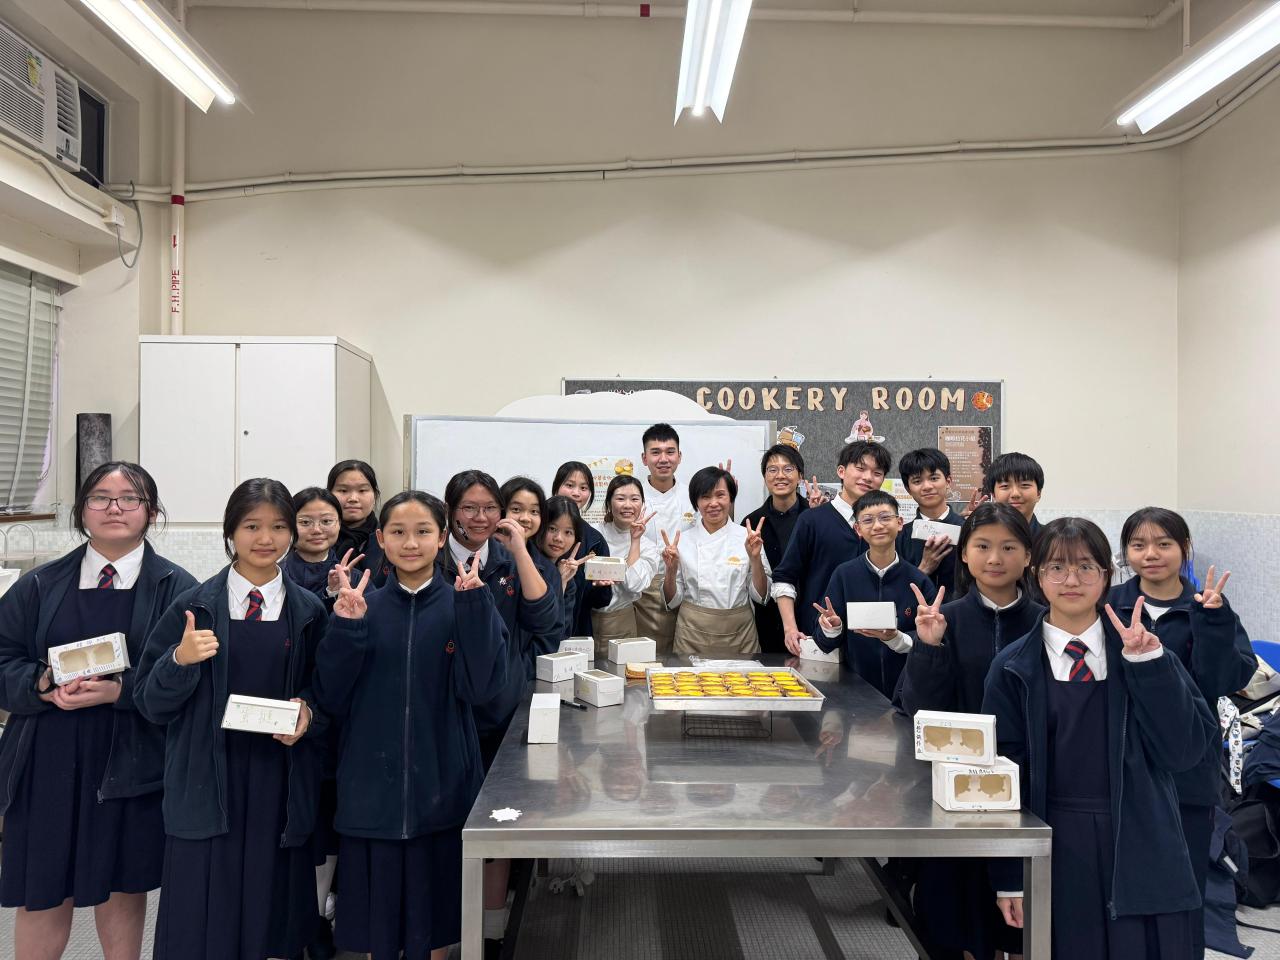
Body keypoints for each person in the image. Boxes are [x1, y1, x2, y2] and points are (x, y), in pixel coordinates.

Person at [982, 517, 1216, 959]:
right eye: (1057, 568)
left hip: (1142, 830)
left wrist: (1151, 668)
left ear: (1107, 575)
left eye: (1086, 567)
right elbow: (999, 778)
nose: (1071, 580)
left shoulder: (1145, 651)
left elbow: (1184, 753)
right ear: (1037, 575)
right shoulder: (1013, 667)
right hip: (1055, 838)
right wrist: (1009, 875)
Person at [0, 462, 197, 960]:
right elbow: (3, 659)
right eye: (100, 498)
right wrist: (40, 684)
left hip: (132, 759)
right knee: (42, 886)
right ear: (81, 510)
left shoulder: (181, 590)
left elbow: (188, 680)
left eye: (129, 498)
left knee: (122, 885)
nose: (114, 508)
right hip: (46, 756)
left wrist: (120, 693)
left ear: (151, 511)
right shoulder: (39, 585)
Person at [135, 478, 328, 960]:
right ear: (231, 532)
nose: (266, 538)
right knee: (202, 920)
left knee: (273, 917)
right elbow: (149, 702)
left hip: (278, 781)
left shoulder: (309, 611)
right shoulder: (193, 607)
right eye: (252, 526)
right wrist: (179, 661)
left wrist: (308, 712)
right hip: (207, 779)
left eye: (279, 526)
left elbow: (326, 692)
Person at [314, 491, 508, 960]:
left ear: (442, 538)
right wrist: (346, 627)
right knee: (376, 930)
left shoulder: (465, 603)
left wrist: (475, 609)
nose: (411, 543)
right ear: (381, 539)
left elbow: (484, 689)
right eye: (398, 532)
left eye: (423, 531)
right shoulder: (362, 606)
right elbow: (330, 696)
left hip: (442, 788)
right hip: (370, 795)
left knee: (435, 927)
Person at [897, 502, 1042, 960]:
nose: (995, 558)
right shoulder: (946, 618)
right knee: (950, 908)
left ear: (1028, 556)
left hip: (1028, 784)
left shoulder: (1046, 621)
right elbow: (917, 710)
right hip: (955, 786)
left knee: (1022, 914)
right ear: (964, 554)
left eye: (1009, 547)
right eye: (982, 546)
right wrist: (929, 647)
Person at [1111, 506, 1254, 960]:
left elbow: (1224, 680)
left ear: (1184, 548)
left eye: (1164, 544)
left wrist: (1213, 622)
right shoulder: (1109, 604)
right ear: (1125, 553)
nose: (1151, 554)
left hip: (1190, 766)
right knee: (1123, 878)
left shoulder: (1208, 608)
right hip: (1122, 762)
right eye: (1138, 545)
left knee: (1186, 878)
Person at [806, 490, 935, 699]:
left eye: (885, 517)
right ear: (858, 529)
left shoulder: (918, 580)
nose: (877, 526)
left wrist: (897, 638)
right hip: (855, 693)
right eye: (868, 520)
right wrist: (832, 628)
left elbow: (934, 643)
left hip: (907, 691)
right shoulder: (844, 575)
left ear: (900, 523)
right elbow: (824, 643)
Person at [773, 440, 890, 653]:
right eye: (860, 468)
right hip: (818, 639)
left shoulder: (884, 528)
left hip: (872, 642)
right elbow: (784, 578)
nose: (868, 477)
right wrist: (790, 629)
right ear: (841, 471)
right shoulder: (812, 520)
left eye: (877, 473)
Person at [662, 466, 771, 656]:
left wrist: (755, 560)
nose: (713, 503)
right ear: (696, 502)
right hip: (692, 634)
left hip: (739, 634)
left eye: (720, 495)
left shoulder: (748, 539)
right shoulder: (682, 541)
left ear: (731, 498)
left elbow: (761, 596)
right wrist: (670, 571)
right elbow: (672, 601)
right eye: (705, 497)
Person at [743, 443, 820, 654]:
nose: (780, 476)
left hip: (812, 617)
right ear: (764, 476)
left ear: (800, 476)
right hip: (767, 623)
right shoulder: (752, 522)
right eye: (772, 470)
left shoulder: (816, 517)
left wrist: (819, 516)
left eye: (788, 469)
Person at [633, 423, 695, 653]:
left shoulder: (693, 496)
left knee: (684, 658)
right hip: (643, 592)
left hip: (687, 587)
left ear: (679, 456)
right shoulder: (632, 498)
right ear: (644, 458)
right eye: (655, 452)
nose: (663, 459)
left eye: (670, 452)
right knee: (647, 656)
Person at [591, 475, 661, 655]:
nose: (628, 505)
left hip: (621, 620)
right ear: (609, 503)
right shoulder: (593, 533)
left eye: (635, 499)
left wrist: (635, 540)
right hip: (585, 618)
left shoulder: (648, 547)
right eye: (621, 498)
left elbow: (633, 585)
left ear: (642, 504)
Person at [500, 476, 567, 661]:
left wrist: (522, 667)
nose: (525, 518)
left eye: (534, 511)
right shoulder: (484, 557)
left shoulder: (547, 570)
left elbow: (552, 633)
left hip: (520, 671)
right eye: (516, 509)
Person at [552, 461, 612, 636]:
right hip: (536, 626)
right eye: (569, 485)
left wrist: (600, 586)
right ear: (556, 487)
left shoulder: (595, 540)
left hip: (576, 630)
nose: (576, 493)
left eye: (583, 488)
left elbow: (601, 602)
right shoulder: (537, 527)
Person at [895, 447, 964, 595]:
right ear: (908, 489)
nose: (927, 486)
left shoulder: (968, 529)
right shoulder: (899, 537)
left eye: (934, 478)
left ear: (948, 481)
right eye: (917, 481)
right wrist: (923, 568)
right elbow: (895, 590)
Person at [328, 459, 390, 589]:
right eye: (343, 491)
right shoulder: (319, 537)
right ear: (329, 495)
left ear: (375, 496)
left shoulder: (388, 538)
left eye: (362, 491)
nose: (353, 499)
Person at [281, 486, 342, 609]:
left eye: (326, 521)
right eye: (305, 522)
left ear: (339, 523)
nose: (316, 530)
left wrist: (334, 593)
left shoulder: (353, 578)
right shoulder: (274, 576)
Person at [984, 452, 1045, 536]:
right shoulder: (979, 538)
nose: (1015, 494)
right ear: (993, 495)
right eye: (1005, 486)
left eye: (1024, 485)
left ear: (1038, 493)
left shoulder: (1051, 540)